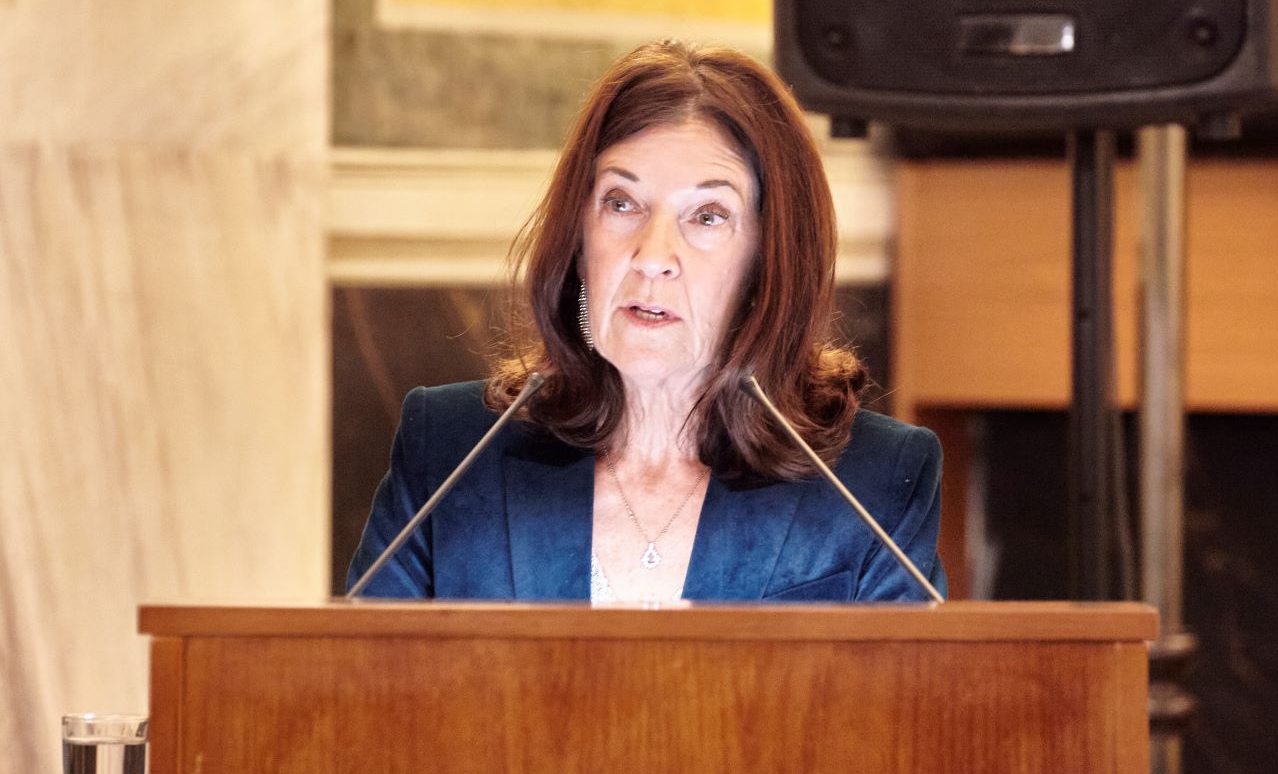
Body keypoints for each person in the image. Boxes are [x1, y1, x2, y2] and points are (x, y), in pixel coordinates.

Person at [346, 41, 945, 602]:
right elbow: (358, 674)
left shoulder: (874, 481)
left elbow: (905, 685)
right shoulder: (450, 452)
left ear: (768, 260)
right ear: (579, 239)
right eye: (621, 203)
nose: (653, 256)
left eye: (707, 216)